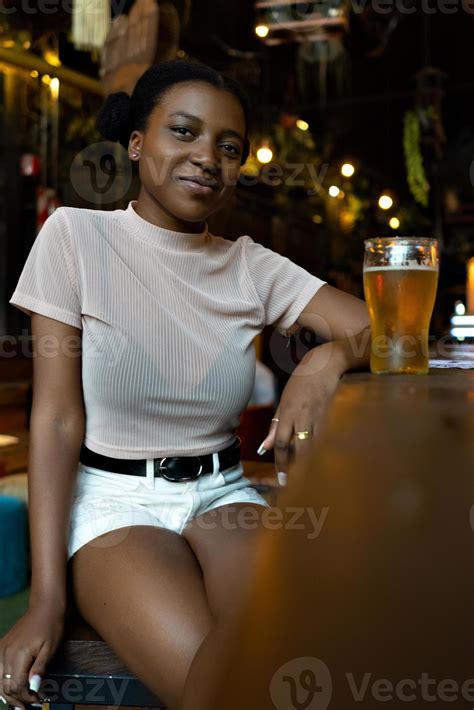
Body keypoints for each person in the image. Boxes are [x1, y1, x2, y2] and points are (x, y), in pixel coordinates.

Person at [1, 60, 370, 710]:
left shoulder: (249, 265)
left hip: (223, 490)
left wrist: (325, 362)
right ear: (138, 142)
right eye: (184, 132)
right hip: (115, 501)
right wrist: (47, 600)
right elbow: (56, 421)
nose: (208, 157)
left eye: (229, 148)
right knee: (222, 689)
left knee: (292, 648)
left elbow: (383, 329)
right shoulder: (75, 237)